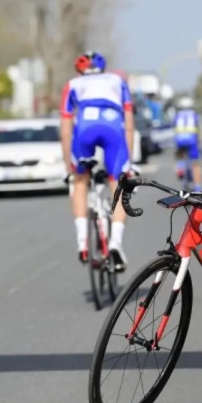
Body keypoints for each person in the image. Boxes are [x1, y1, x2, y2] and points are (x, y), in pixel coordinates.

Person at [59, 51, 135, 272]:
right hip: (113, 129)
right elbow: (129, 125)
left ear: (80, 70)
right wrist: (128, 160)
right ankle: (115, 243)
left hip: (84, 129)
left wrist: (68, 166)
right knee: (118, 184)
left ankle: (82, 241)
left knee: (80, 181)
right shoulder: (118, 81)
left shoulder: (72, 84)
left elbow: (65, 130)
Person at [172, 96, 202, 192]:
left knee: (180, 156)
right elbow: (198, 129)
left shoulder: (177, 115)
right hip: (191, 140)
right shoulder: (194, 115)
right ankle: (197, 187)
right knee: (195, 163)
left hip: (180, 139)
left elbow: (174, 128)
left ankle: (180, 166)